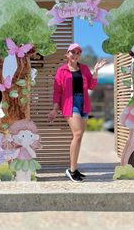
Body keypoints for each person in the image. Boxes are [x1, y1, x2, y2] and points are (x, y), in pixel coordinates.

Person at [48, 43, 107, 182]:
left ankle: (74, 168)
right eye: (72, 52)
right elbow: (57, 91)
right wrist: (55, 109)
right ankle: (72, 170)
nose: (75, 55)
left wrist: (96, 71)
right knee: (78, 133)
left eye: (78, 52)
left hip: (84, 104)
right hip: (70, 104)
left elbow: (92, 86)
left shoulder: (84, 69)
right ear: (67, 54)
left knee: (79, 137)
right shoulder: (61, 71)